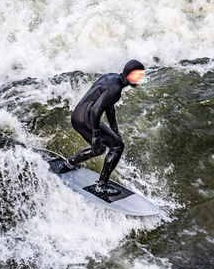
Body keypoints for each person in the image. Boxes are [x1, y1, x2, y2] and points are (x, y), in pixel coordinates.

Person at [55, 60, 146, 196]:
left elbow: (108, 106)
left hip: (77, 117)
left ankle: (69, 163)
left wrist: (115, 130)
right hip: (87, 119)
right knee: (118, 146)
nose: (140, 78)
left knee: (99, 150)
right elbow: (96, 110)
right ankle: (101, 185)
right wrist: (96, 136)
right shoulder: (116, 88)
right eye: (138, 74)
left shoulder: (112, 78)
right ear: (130, 74)